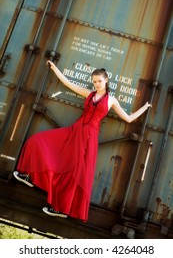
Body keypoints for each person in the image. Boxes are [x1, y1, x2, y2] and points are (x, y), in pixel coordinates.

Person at [13, 60, 151, 222]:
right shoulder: (89, 94)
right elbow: (67, 83)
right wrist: (55, 68)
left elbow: (128, 118)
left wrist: (144, 107)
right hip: (75, 131)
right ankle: (29, 176)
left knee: (75, 173)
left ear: (106, 80)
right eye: (94, 81)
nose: (97, 84)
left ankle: (61, 208)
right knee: (38, 140)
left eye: (99, 81)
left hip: (89, 138)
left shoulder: (111, 100)